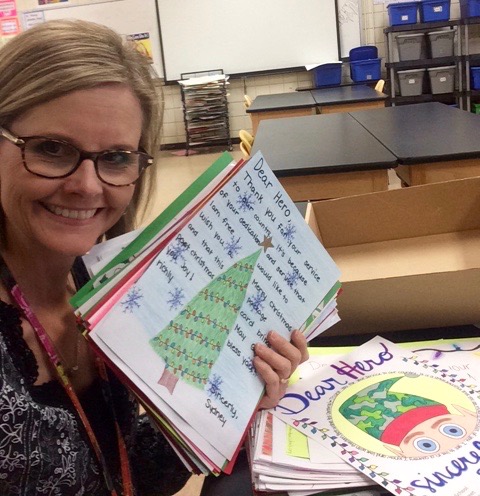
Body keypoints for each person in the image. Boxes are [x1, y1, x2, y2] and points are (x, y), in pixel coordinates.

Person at [0, 19, 309, 495]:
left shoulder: (109, 283)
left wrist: (238, 398)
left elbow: (126, 471)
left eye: (117, 157)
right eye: (51, 149)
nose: (86, 186)